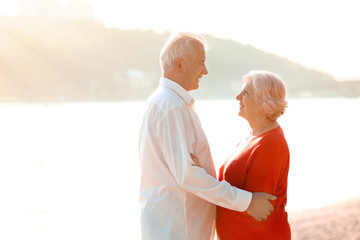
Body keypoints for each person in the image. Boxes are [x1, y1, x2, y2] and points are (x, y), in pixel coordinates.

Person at [139, 32, 276, 240]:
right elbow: (187, 174)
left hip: (175, 226)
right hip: (178, 229)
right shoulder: (172, 106)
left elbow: (184, 170)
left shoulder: (166, 102)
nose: (205, 71)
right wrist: (246, 202)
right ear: (180, 64)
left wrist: (194, 167)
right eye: (201, 63)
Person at [216, 70, 291, 239]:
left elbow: (258, 209)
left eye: (246, 93)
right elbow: (238, 193)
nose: (237, 97)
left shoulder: (270, 144)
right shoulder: (251, 138)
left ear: (264, 101)